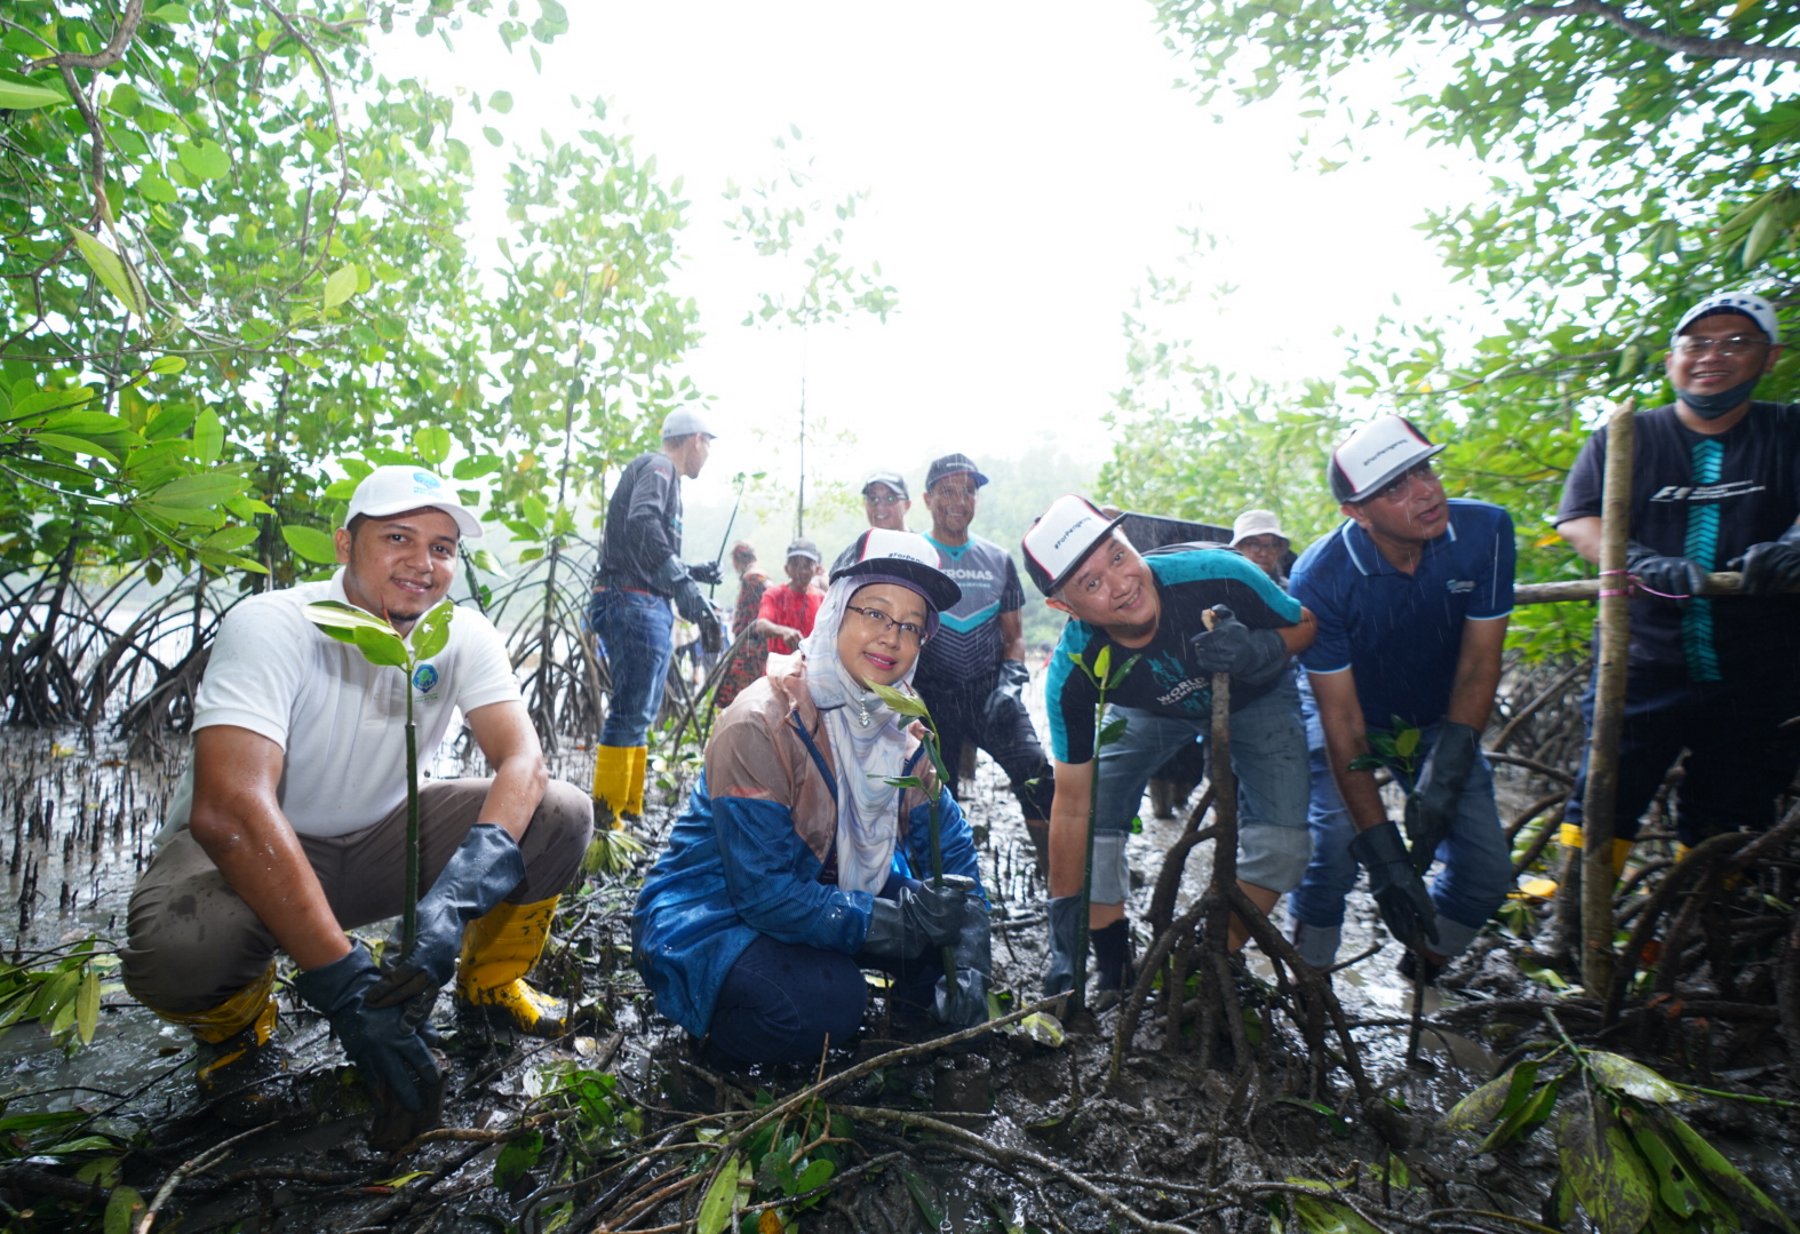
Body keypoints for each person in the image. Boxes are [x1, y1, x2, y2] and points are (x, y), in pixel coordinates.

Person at [121, 466, 594, 1115]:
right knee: (184, 944)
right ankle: (234, 1027)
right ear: (345, 544)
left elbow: (523, 761)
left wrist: (454, 901)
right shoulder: (275, 623)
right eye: (398, 538)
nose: (421, 563)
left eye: (442, 547)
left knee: (559, 812)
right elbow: (228, 811)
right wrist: (340, 982)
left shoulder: (458, 632)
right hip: (252, 858)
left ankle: (490, 983)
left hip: (380, 840)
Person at [632, 529, 991, 1066]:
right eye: (874, 613)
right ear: (837, 612)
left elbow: (951, 848)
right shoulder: (763, 724)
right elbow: (762, 893)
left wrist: (968, 954)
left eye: (911, 626)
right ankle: (710, 1044)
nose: (892, 638)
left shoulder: (902, 722)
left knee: (943, 946)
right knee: (827, 1006)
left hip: (823, 886)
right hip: (711, 910)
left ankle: (910, 1039)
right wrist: (892, 924)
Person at [1021, 495, 1317, 997]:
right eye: (1090, 584)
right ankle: (1113, 965)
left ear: (1129, 541)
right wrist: (1063, 945)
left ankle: (1203, 962)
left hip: (1255, 694)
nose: (1120, 585)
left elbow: (1305, 624)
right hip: (1152, 709)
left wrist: (1259, 650)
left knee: (1286, 846)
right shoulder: (1073, 670)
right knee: (1099, 814)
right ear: (1062, 606)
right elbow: (1071, 808)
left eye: (1117, 556)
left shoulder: (1218, 573)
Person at [1554, 290, 1800, 866]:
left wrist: (1795, 545)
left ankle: (1705, 921)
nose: (1713, 355)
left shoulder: (1790, 428)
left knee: (1732, 807)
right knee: (1604, 798)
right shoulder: (1626, 436)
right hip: (1642, 663)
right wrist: (1635, 560)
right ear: (1672, 361)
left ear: (1770, 357)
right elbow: (1578, 520)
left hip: (1760, 670)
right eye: (1697, 343)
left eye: (1737, 342)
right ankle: (1569, 923)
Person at [1286, 416, 1516, 982]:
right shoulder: (1320, 576)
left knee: (1487, 869)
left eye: (1424, 471)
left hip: (1436, 714)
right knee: (1338, 842)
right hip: (1347, 710)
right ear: (1357, 513)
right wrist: (1383, 848)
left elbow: (1480, 663)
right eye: (1395, 488)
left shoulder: (1485, 533)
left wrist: (1450, 762)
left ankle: (1422, 964)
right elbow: (1342, 717)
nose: (1426, 491)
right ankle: (1309, 980)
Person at [912, 452, 1058, 873]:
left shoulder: (998, 560)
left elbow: (1014, 637)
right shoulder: (913, 554)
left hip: (989, 690)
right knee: (934, 792)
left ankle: (1056, 880)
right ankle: (942, 886)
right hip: (930, 693)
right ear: (928, 498)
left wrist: (1011, 682)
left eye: (969, 491)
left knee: (1035, 772)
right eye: (947, 490)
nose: (959, 500)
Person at [589, 409, 723, 827]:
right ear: (695, 440)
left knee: (640, 713)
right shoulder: (660, 465)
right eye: (708, 446)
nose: (707, 456)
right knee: (629, 712)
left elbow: (643, 541)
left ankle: (628, 813)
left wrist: (692, 571)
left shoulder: (665, 477)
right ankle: (607, 822)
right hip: (630, 600)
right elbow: (643, 521)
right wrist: (682, 582)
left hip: (643, 600)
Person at [713, 541, 771, 711]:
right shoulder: (759, 577)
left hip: (751, 645)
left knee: (734, 692)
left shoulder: (753, 577)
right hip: (752, 642)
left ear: (738, 560)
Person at [830, 470, 914, 572]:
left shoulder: (923, 550)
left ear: (907, 505)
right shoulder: (851, 557)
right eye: (872, 499)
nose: (880, 506)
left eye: (890, 498)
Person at [756, 536, 825, 655]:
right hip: (780, 669)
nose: (801, 571)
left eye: (807, 565)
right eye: (795, 565)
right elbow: (761, 625)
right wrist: (783, 631)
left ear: (816, 569)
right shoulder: (773, 595)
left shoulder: (822, 598)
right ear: (786, 569)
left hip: (812, 668)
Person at [1230, 509, 1292, 586]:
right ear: (1238, 548)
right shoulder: (1223, 587)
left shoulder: (1289, 592)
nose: (1264, 553)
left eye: (1273, 545)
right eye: (1254, 544)